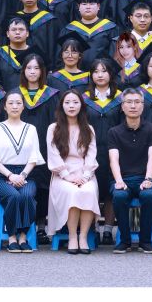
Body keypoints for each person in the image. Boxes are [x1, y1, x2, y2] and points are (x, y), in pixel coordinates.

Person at [0, 90, 44, 252]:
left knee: (27, 196)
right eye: (10, 103)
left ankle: (23, 237)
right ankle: (11, 237)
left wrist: (22, 175)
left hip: (26, 174)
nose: (15, 106)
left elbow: (34, 158)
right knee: (14, 196)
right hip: (1, 175)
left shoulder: (31, 129)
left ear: (23, 107)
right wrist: (10, 175)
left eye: (18, 103)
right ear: (5, 106)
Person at [104, 89, 152, 252]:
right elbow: (113, 159)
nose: (133, 106)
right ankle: (125, 240)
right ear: (122, 106)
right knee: (119, 195)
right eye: (129, 102)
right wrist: (119, 181)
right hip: (123, 178)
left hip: (144, 177)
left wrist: (148, 179)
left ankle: (145, 240)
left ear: (143, 106)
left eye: (137, 102)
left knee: (148, 195)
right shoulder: (114, 132)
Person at [45, 90, 100, 253]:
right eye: (67, 102)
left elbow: (91, 155)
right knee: (72, 192)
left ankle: (83, 236)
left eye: (75, 102)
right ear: (61, 106)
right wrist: (67, 176)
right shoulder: (53, 128)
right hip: (62, 174)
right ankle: (72, 236)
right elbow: (53, 155)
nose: (71, 106)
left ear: (81, 106)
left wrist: (85, 176)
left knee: (88, 191)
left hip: (85, 173)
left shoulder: (88, 129)